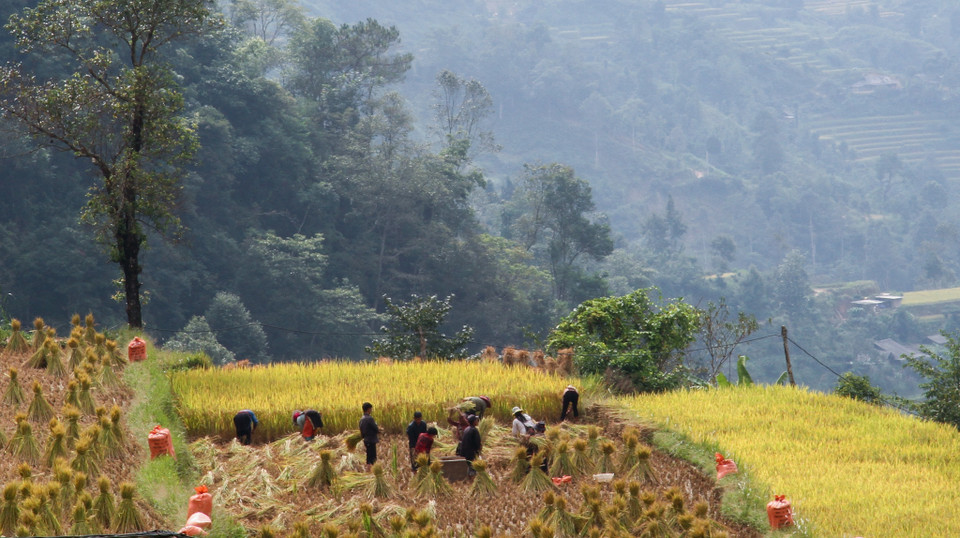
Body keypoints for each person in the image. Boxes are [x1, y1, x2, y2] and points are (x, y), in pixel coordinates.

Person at [359, 402, 380, 471]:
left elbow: (361, 431)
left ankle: (368, 471)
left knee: (368, 457)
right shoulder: (370, 419)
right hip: (371, 440)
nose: (371, 410)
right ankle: (372, 471)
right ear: (368, 409)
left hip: (366, 440)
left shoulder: (361, 419)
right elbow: (376, 429)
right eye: (371, 409)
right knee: (373, 458)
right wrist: (379, 429)